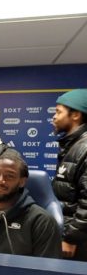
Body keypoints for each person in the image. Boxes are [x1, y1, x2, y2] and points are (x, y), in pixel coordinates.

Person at [52, 89, 87, 261]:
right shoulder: (73, 145)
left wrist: (71, 237)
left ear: (75, 115)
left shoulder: (84, 147)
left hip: (78, 243)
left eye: (58, 112)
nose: (54, 117)